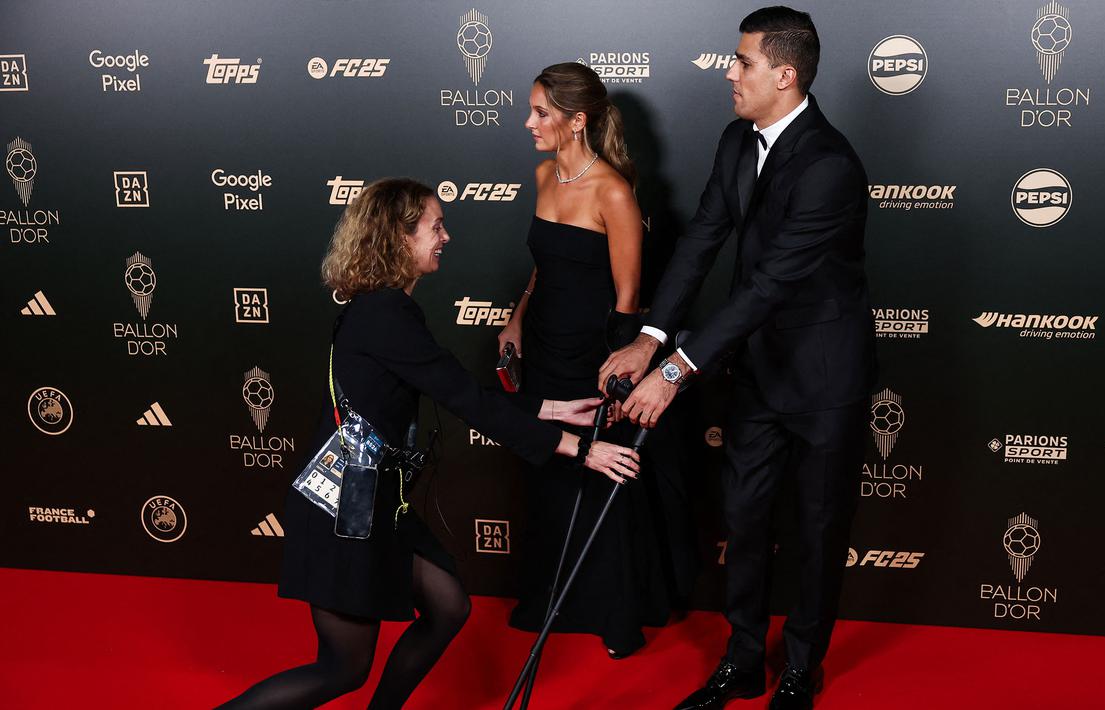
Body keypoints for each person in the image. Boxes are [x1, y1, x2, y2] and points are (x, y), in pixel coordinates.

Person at [220, 178, 640, 709]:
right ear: (399, 238)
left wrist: (550, 409)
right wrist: (579, 449)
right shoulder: (383, 314)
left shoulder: (390, 308)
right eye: (434, 226)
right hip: (343, 513)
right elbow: (464, 398)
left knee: (447, 607)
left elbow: (453, 386)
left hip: (376, 502)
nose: (446, 235)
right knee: (342, 669)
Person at [600, 7, 876, 709]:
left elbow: (768, 285)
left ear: (784, 75)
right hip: (755, 371)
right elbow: (701, 243)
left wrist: (674, 372)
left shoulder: (829, 165)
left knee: (815, 531)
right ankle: (743, 659)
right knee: (745, 522)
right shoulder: (734, 141)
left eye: (743, 61)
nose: (730, 71)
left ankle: (799, 671)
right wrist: (650, 336)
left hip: (822, 378)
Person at [497, 62, 690, 659]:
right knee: (551, 471)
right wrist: (517, 316)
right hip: (546, 346)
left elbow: (629, 300)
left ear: (576, 121)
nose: (528, 122)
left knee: (601, 473)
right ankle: (550, 601)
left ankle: (614, 612)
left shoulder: (614, 192)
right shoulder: (542, 173)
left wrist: (618, 372)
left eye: (541, 112)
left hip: (595, 357)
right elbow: (543, 266)